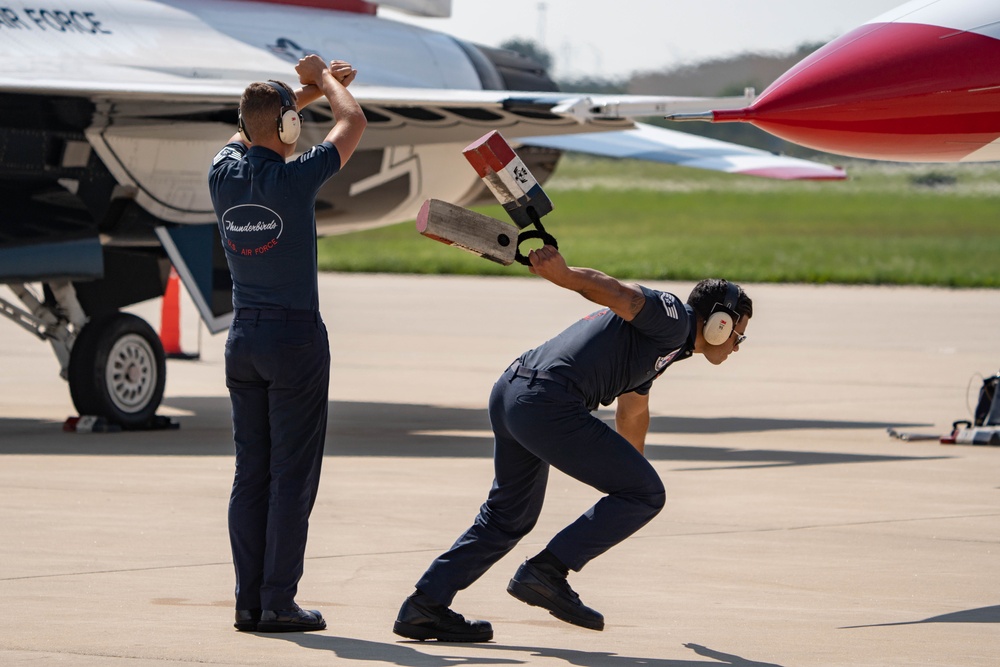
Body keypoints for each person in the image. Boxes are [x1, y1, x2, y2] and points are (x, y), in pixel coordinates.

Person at [393, 245, 752, 641]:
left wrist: (630, 476)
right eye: (739, 333)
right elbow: (618, 292)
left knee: (509, 516)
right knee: (647, 493)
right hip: (548, 402)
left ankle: (424, 606)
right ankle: (545, 572)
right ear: (719, 323)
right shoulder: (673, 318)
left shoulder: (664, 346)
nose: (738, 344)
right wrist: (564, 276)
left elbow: (633, 411)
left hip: (513, 392)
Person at [207, 54, 366, 633]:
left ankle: (249, 601)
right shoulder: (296, 179)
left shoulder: (222, 175)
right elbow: (355, 123)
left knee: (251, 473)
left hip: (243, 336)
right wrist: (323, 84)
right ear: (290, 131)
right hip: (294, 338)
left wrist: (293, 99)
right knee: (291, 476)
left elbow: (249, 130)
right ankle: (279, 600)